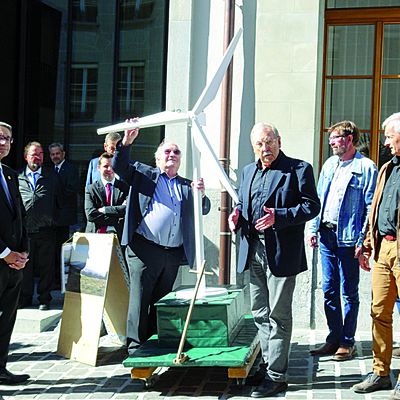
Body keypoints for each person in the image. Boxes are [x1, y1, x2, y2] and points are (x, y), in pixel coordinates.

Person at [228, 122, 320, 398]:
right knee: (259, 312)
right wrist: (237, 214)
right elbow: (244, 204)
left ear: (279, 140)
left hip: (281, 252)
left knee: (278, 315)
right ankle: (269, 365)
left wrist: (278, 217)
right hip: (253, 249)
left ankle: (277, 376)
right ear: (252, 146)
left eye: (269, 142)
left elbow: (311, 206)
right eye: (259, 144)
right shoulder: (248, 171)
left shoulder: (298, 169)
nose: (265, 148)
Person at [112, 123, 211, 353]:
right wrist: (126, 142)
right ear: (157, 159)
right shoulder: (143, 174)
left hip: (171, 253)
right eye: (167, 151)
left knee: (162, 300)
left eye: (176, 152)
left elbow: (203, 209)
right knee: (140, 299)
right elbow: (119, 166)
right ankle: (136, 346)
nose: (172, 155)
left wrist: (202, 194)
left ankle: (156, 341)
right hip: (144, 249)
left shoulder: (187, 185)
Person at [307, 121, 377, 361]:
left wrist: (363, 240)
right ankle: (333, 337)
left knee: (349, 292)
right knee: (328, 289)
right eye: (330, 138)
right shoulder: (329, 165)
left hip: (349, 238)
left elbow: (370, 208)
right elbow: (318, 198)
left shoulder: (366, 167)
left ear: (349, 139)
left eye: (335, 138)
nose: (331, 142)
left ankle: (348, 340)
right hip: (327, 235)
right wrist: (313, 228)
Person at [353, 112, 400, 398]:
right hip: (383, 249)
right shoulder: (387, 169)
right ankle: (381, 371)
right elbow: (377, 208)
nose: (385, 142)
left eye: (389, 136)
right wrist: (367, 241)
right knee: (379, 311)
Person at [0, 121, 30, 384]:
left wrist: (23, 253)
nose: (4, 142)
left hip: (14, 265)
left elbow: (19, 216)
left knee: (7, 318)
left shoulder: (10, 174)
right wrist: (5, 253)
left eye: (8, 139)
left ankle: (1, 368)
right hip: (1, 258)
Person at [18, 142, 62, 310]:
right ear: (26, 157)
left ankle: (44, 298)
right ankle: (25, 297)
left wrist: (53, 220)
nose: (38, 157)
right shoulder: (17, 176)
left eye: (41, 154)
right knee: (25, 267)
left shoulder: (52, 176)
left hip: (46, 230)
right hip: (25, 231)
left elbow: (60, 200)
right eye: (34, 154)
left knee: (46, 267)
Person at [48, 142, 79, 289]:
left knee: (62, 250)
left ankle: (61, 281)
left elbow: (71, 190)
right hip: (50, 219)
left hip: (64, 218)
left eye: (57, 153)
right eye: (52, 154)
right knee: (51, 250)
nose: (55, 156)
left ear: (63, 154)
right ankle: (54, 280)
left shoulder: (71, 169)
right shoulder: (48, 170)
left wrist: (53, 199)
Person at [85, 153, 129, 240]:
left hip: (119, 236)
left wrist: (104, 210)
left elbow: (127, 210)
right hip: (96, 235)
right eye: (105, 166)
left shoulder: (125, 188)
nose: (109, 169)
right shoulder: (90, 189)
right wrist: (117, 218)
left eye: (112, 166)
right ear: (98, 168)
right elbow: (90, 215)